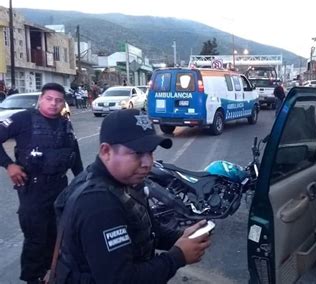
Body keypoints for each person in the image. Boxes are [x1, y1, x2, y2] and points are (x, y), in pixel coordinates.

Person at [52, 109, 211, 283]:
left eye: (150, 152)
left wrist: (182, 237)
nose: (148, 163)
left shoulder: (127, 181)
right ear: (106, 151)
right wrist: (177, 257)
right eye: (137, 153)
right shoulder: (98, 204)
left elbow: (148, 230)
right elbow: (121, 279)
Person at [0, 82, 83, 283]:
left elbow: (74, 151)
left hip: (60, 188)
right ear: (41, 99)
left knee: (59, 237)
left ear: (64, 103)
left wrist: (81, 179)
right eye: (49, 99)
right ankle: (32, 278)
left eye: (59, 100)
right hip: (33, 188)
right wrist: (9, 165)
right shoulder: (23, 119)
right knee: (36, 239)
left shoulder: (65, 123)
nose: (53, 104)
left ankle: (51, 275)